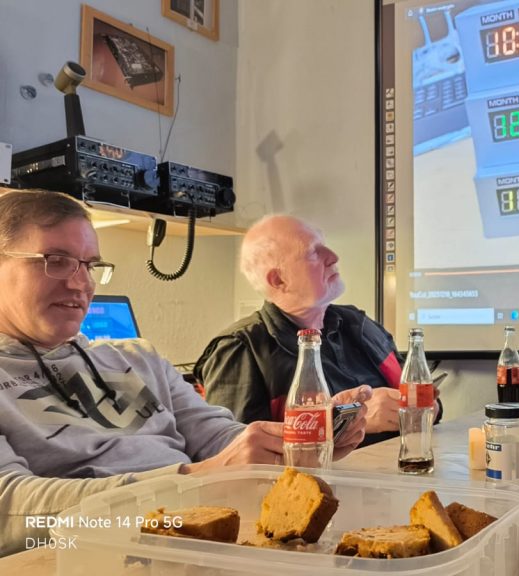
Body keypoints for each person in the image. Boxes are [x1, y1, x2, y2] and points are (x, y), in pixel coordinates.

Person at [0, 189, 369, 556]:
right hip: (89, 554)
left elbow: (217, 437)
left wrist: (297, 446)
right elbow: (10, 508)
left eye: (89, 265)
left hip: (198, 539)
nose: (81, 283)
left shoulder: (139, 357)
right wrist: (197, 480)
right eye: (56, 260)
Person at [194, 215, 437, 446]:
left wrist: (427, 408)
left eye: (324, 246)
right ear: (278, 280)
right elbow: (237, 452)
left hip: (405, 465)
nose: (333, 257)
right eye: (312, 252)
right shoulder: (241, 348)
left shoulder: (358, 324)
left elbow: (421, 396)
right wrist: (350, 418)